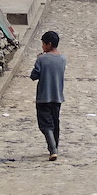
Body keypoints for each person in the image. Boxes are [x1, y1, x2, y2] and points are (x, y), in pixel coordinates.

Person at [30, 30, 66, 161]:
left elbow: (34, 76)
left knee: (45, 124)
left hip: (44, 97)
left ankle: (52, 149)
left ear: (49, 44)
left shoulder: (42, 59)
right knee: (55, 122)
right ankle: (55, 145)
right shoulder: (62, 59)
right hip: (57, 96)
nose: (42, 47)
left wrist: (38, 60)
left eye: (43, 44)